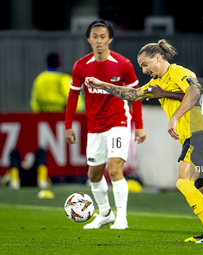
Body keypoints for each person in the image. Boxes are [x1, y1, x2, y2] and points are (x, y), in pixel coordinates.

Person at [84, 39, 203, 244]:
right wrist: (103, 85)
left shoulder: (180, 72)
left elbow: (195, 92)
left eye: (145, 64)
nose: (144, 70)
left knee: (183, 182)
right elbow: (132, 94)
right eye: (141, 67)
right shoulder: (156, 83)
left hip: (200, 134)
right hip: (194, 138)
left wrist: (174, 117)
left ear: (158, 57)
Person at [64, 19, 146, 230]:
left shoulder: (123, 64)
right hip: (94, 127)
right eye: (95, 36)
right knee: (93, 174)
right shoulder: (81, 66)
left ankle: (122, 218)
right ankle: (105, 214)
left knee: (115, 169)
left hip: (118, 121)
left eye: (103, 36)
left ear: (110, 38)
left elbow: (135, 95)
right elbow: (73, 96)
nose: (99, 41)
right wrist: (68, 125)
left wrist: (139, 125)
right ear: (89, 39)